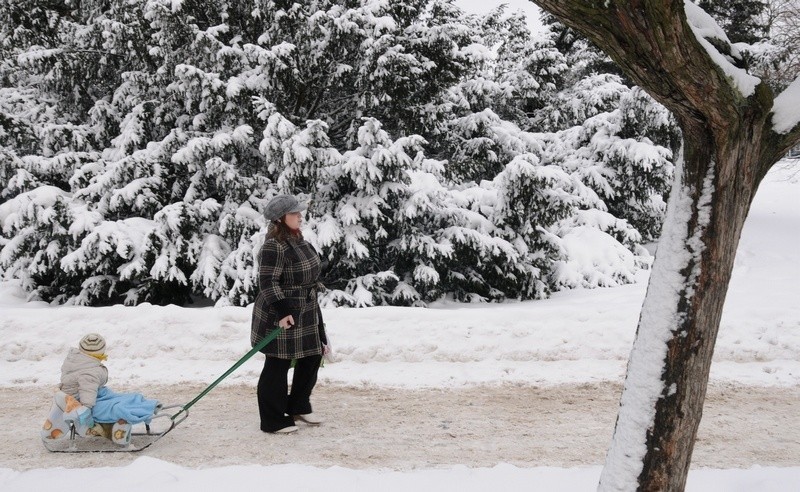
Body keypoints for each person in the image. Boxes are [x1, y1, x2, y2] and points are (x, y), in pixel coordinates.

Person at [251, 194, 328, 434]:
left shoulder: (298, 239)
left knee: (312, 356)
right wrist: (282, 311)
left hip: (305, 309)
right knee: (278, 364)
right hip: (282, 311)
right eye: (295, 214)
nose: (300, 216)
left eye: (299, 212)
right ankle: (272, 420)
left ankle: (298, 405)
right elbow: (268, 281)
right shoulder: (273, 246)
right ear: (280, 219)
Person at [41, 333, 160, 445]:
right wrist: (86, 409)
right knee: (118, 406)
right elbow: (88, 392)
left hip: (90, 395)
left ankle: (141, 404)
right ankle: (142, 409)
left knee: (124, 398)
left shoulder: (78, 361)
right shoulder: (89, 372)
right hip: (84, 402)